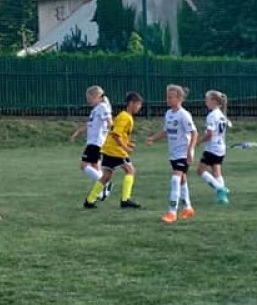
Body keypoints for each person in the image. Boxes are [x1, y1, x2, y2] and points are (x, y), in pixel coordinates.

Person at [146, 84, 198, 223]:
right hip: (173, 153)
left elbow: (194, 133)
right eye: (167, 96)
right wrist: (153, 138)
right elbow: (166, 131)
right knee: (182, 179)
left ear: (179, 98)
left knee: (175, 179)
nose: (167, 99)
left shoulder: (184, 114)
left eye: (170, 97)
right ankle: (188, 208)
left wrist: (190, 150)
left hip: (183, 152)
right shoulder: (168, 114)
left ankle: (172, 212)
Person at [84, 92, 144, 209]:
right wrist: (125, 147)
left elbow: (118, 134)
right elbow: (116, 135)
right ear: (131, 103)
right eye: (138, 104)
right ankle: (125, 200)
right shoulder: (125, 117)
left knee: (106, 176)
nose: (139, 107)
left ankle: (89, 200)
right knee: (130, 171)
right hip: (116, 150)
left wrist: (127, 143)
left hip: (108, 149)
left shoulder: (124, 116)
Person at [71, 85, 112, 195]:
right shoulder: (96, 109)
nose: (88, 101)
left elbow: (110, 123)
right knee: (95, 166)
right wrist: (79, 132)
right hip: (93, 142)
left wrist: (112, 134)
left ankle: (105, 183)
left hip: (96, 142)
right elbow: (90, 125)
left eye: (90, 99)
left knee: (83, 166)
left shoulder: (102, 107)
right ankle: (101, 193)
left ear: (96, 96)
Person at [197, 90, 231, 204]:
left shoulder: (212, 115)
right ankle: (223, 198)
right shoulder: (221, 115)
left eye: (207, 99)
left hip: (212, 148)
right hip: (221, 147)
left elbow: (210, 134)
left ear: (213, 101)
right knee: (216, 171)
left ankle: (220, 189)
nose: (205, 102)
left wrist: (199, 141)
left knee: (200, 170)